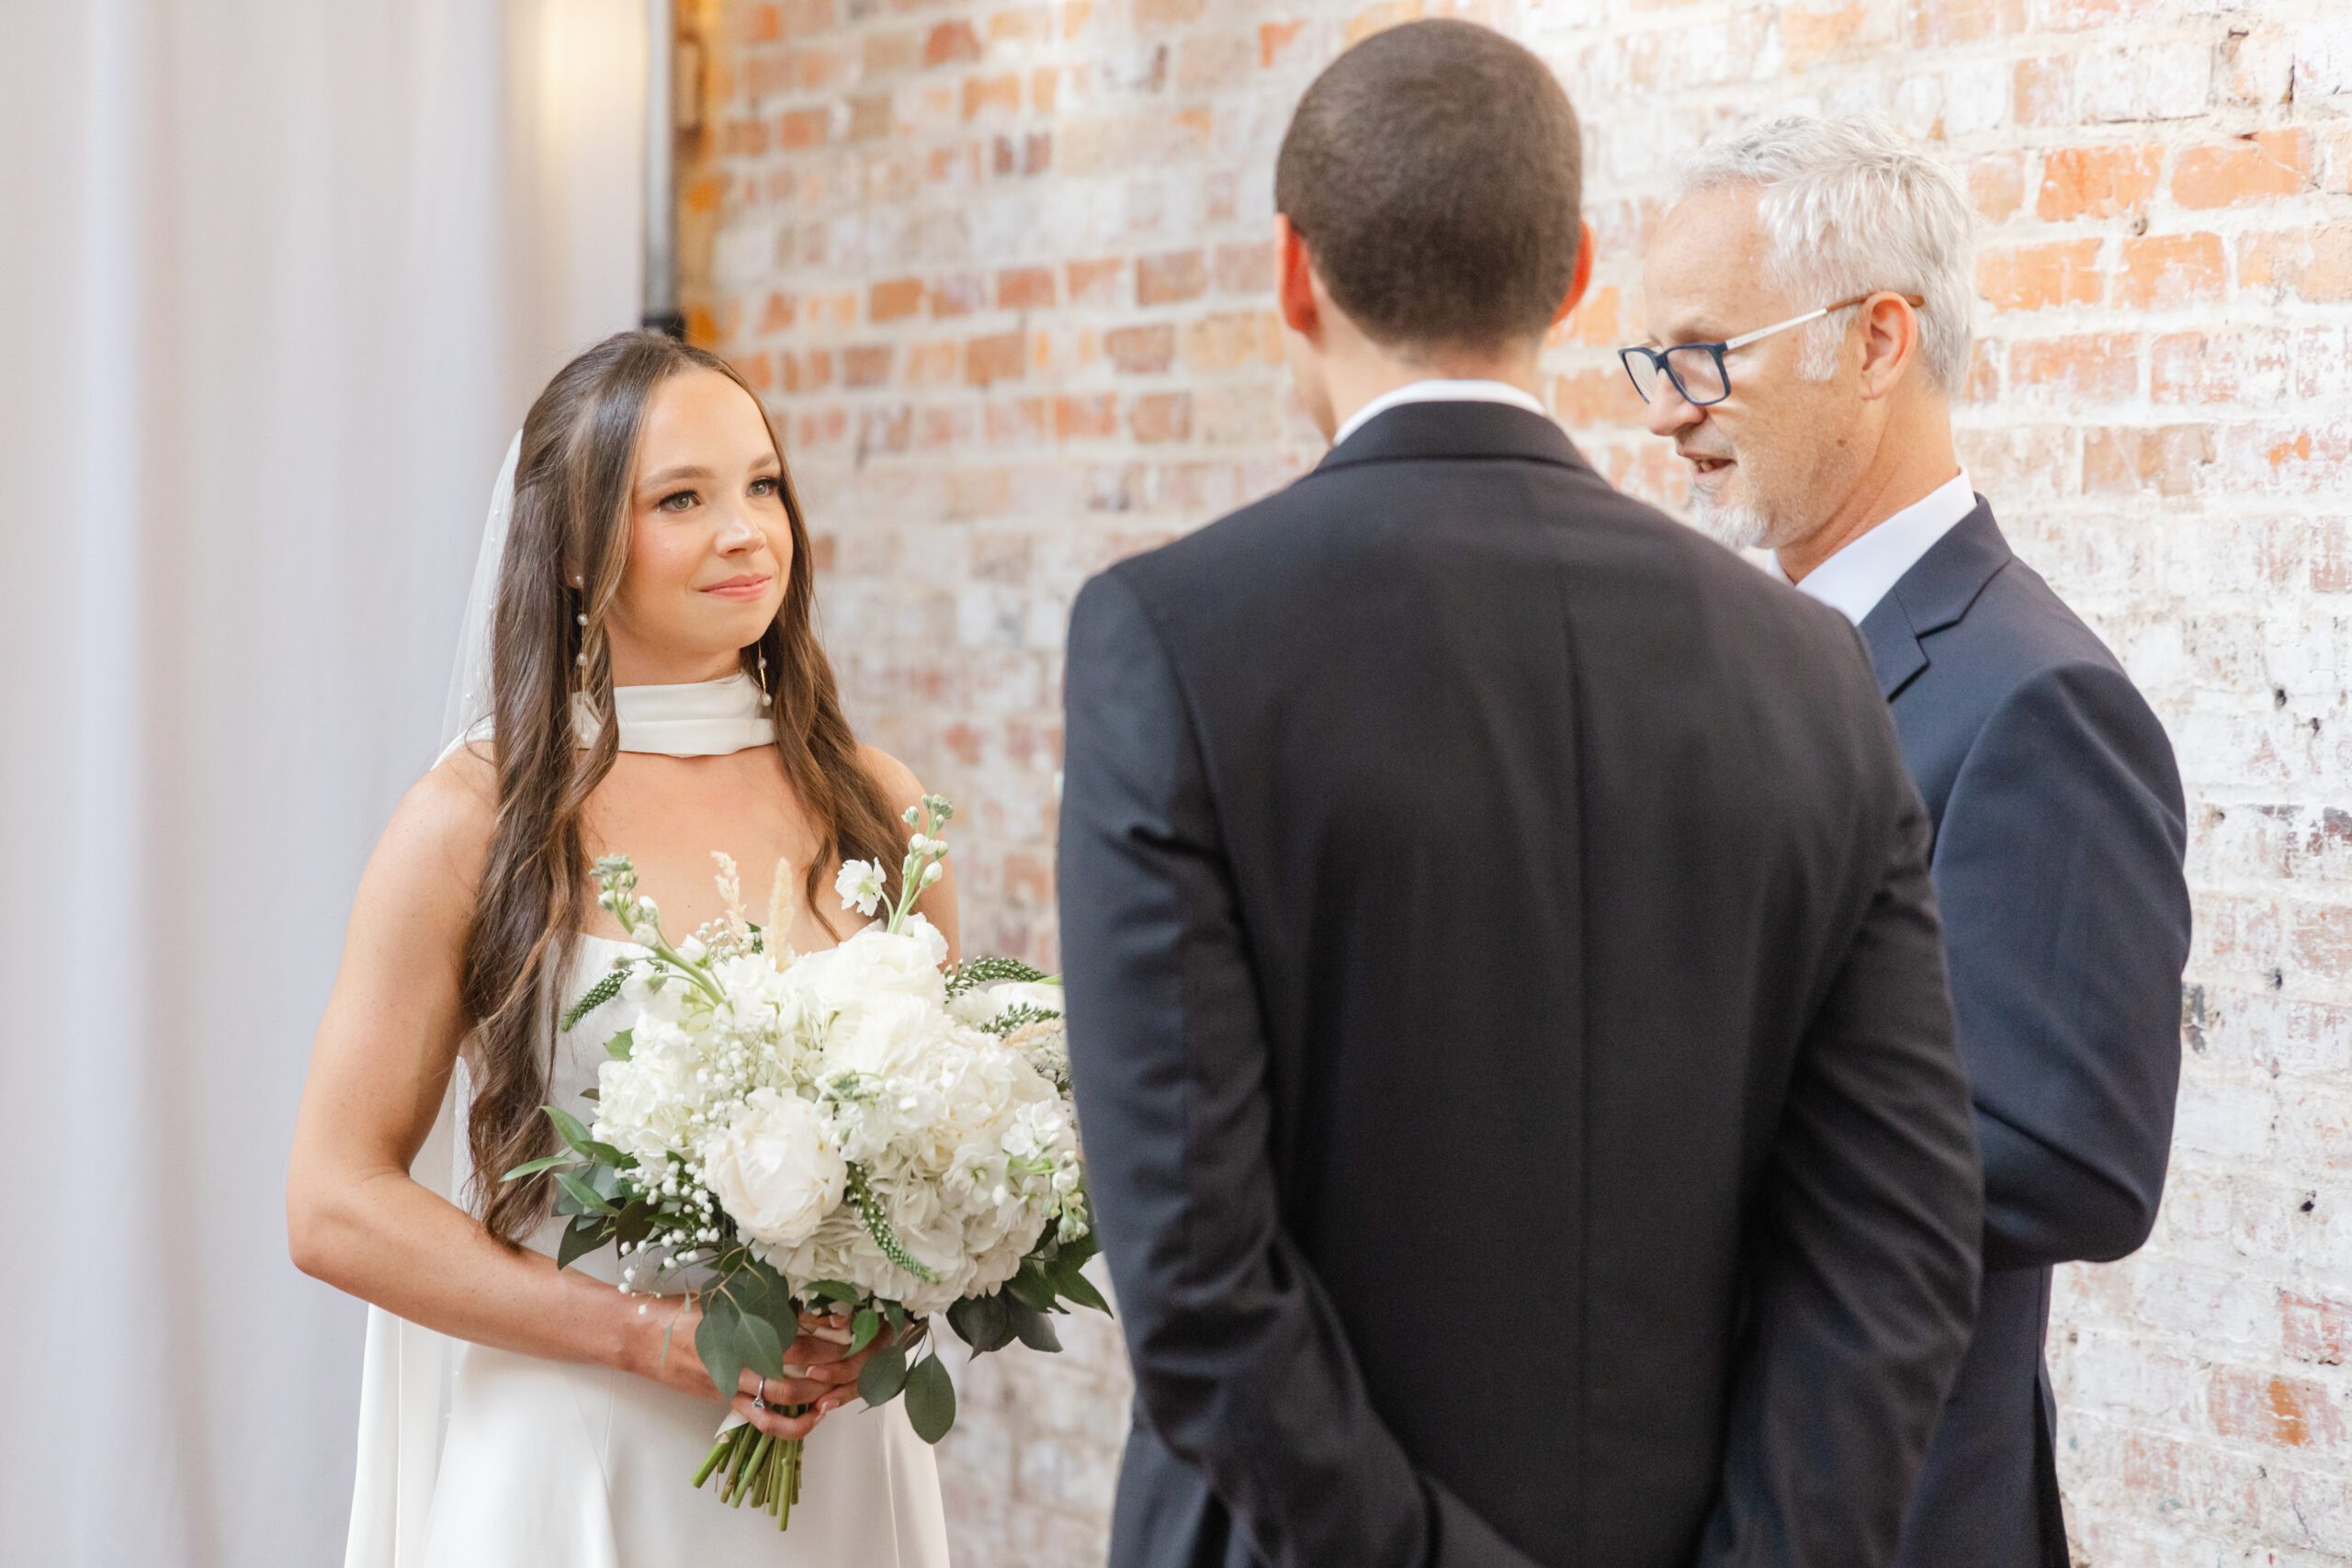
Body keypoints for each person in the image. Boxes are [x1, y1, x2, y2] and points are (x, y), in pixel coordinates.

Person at [1056, 22, 1984, 1568]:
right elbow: (1898, 1243)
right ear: (1571, 277)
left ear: (1295, 276)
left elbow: (1199, 1289)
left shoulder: (1173, 641)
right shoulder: (1811, 667)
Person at [287, 331, 953, 1566]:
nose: (747, 530)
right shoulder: (476, 820)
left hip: (839, 1473)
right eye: (682, 500)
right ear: (576, 552)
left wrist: (891, 1307)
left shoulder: (880, 805)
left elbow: (948, 1146)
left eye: (762, 486)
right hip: (581, 1463)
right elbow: (333, 1203)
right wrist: (650, 1335)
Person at [1633, 114, 2193, 1568]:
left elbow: (2071, 1156)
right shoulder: (1737, 664)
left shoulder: (2040, 697)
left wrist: (1652, 1108)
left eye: (1706, 356)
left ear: (1878, 341)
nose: (1664, 411)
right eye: (1651, 364)